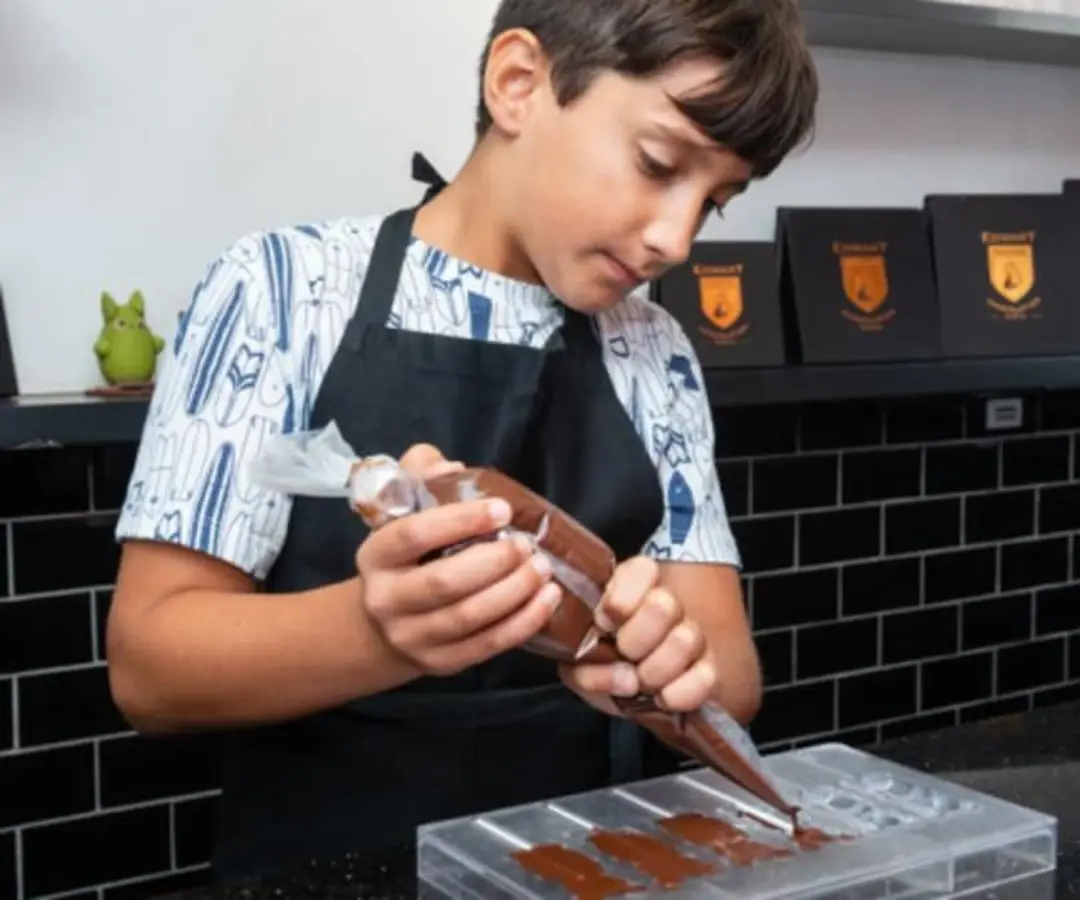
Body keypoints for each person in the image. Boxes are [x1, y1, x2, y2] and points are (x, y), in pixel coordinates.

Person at [105, 0, 819, 883]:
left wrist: (666, 670)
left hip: (588, 866)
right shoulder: (281, 290)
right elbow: (151, 671)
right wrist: (380, 630)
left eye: (713, 200)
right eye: (656, 163)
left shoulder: (655, 351)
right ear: (518, 83)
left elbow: (732, 681)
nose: (675, 237)